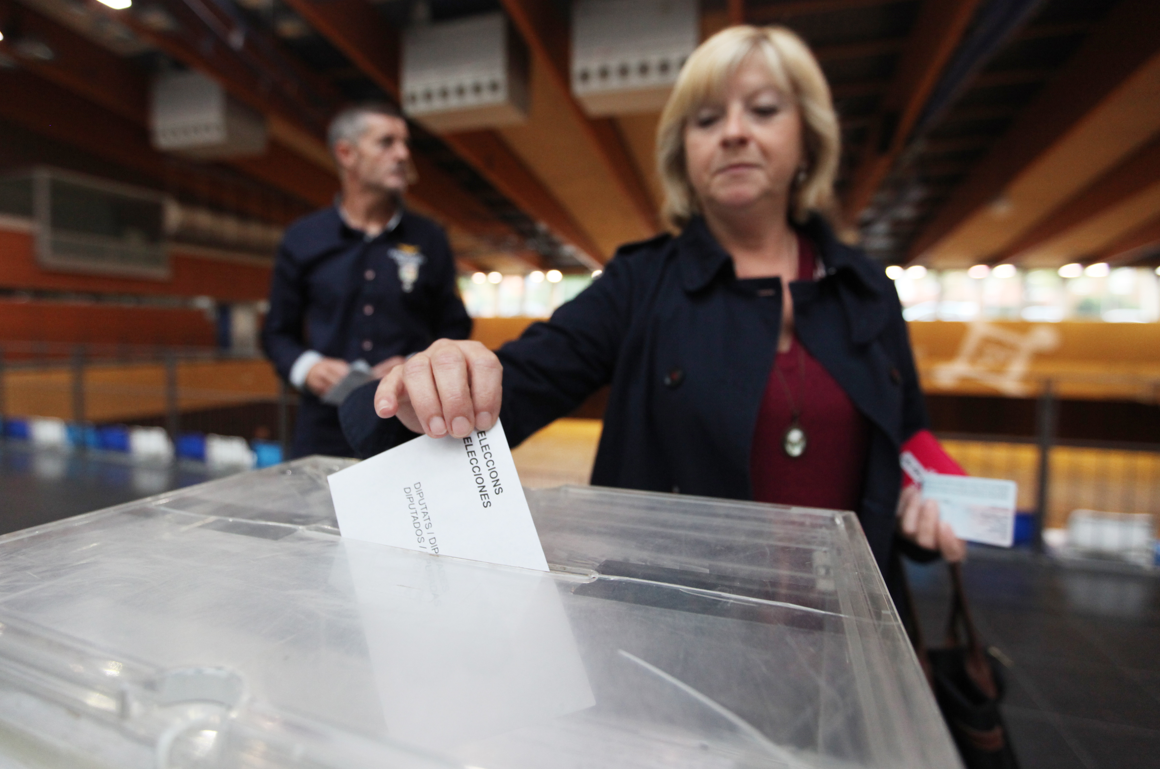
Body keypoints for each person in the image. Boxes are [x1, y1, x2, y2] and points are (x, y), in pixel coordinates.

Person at [340, 26, 964, 604]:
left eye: (765, 110)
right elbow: (521, 382)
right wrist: (442, 382)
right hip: (684, 639)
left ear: (808, 139)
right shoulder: (641, 283)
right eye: (707, 119)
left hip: (856, 633)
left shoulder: (866, 288)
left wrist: (931, 510)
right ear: (685, 154)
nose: (734, 132)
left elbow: (908, 440)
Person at [262, 103, 472, 458]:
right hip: (323, 430)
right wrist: (308, 368)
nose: (403, 154)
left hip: (410, 425)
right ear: (347, 153)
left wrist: (414, 361)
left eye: (405, 143)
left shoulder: (430, 238)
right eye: (386, 143)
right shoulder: (303, 238)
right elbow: (276, 332)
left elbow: (454, 324)